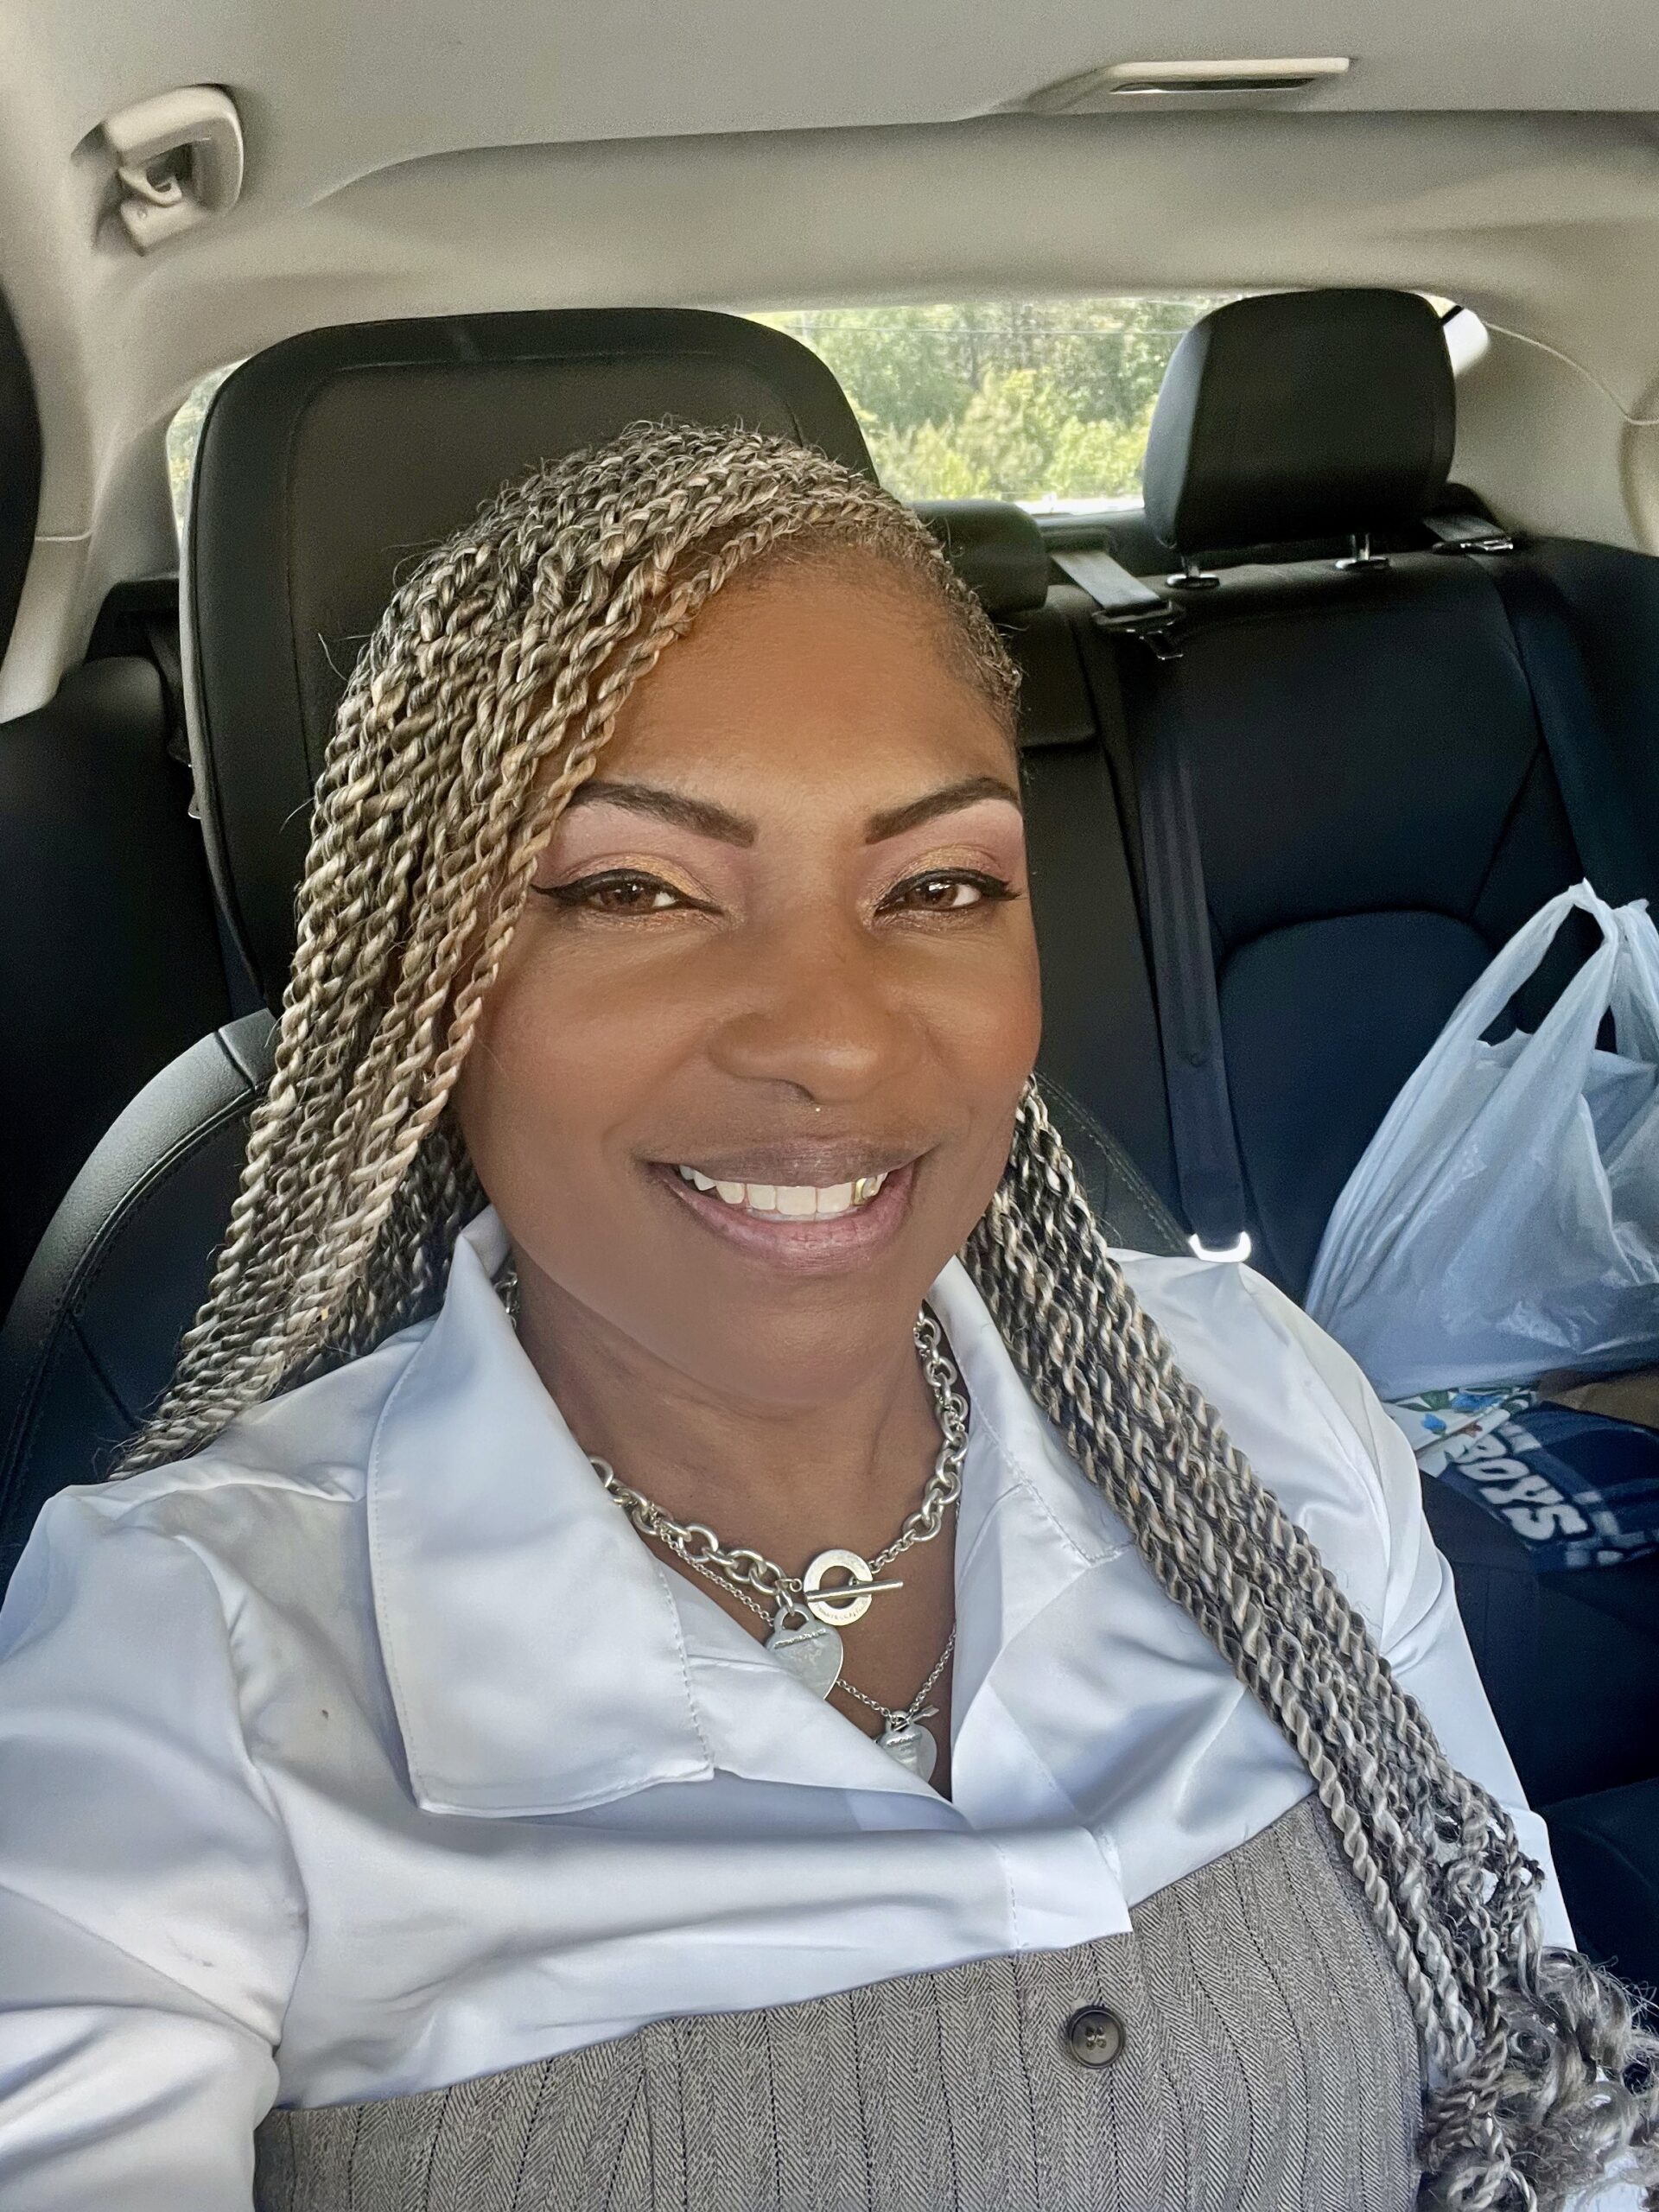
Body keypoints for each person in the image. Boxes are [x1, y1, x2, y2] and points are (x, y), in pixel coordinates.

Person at [0, 420, 1653, 2212]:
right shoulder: (187, 1660)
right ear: (435, 983)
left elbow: (1547, 2093)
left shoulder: (1263, 1407)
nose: (835, 1038)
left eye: (937, 886)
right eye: (636, 888)